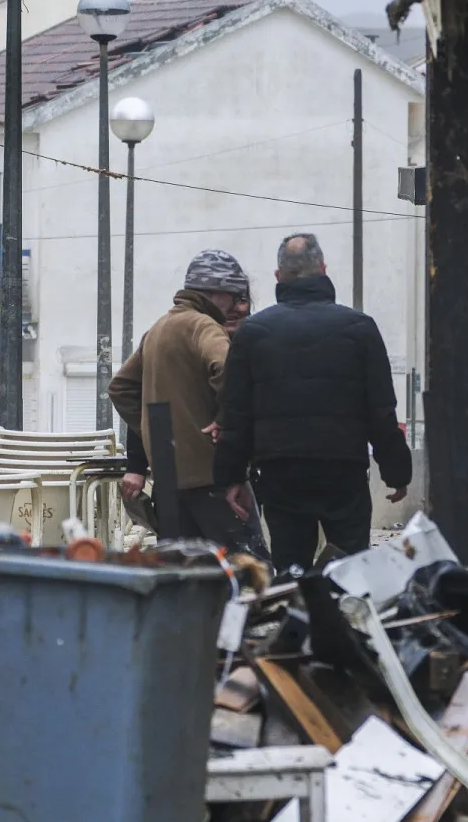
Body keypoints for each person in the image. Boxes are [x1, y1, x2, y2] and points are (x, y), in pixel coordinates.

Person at [214, 233, 412, 573]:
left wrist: (231, 476)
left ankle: (296, 623)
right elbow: (380, 410)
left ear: (278, 277)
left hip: (281, 472)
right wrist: (397, 471)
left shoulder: (254, 333)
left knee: (291, 569)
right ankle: (348, 622)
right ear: (322, 269)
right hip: (343, 471)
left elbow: (236, 413)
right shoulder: (359, 329)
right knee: (351, 568)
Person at [108, 249, 265, 556]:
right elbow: (228, 369)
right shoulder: (202, 326)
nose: (235, 305)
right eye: (233, 296)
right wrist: (225, 419)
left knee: (182, 576)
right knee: (249, 571)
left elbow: (121, 388)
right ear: (215, 293)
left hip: (168, 484)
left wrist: (155, 432)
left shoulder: (157, 330)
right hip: (213, 477)